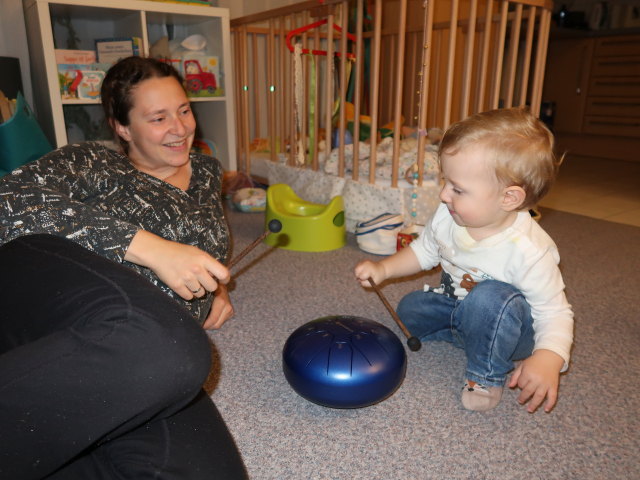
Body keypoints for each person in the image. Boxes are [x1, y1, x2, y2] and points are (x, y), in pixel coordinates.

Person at [0, 56, 248, 478]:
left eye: (184, 110)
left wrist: (213, 285)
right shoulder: (91, 162)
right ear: (122, 127)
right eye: (158, 118)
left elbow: (206, 239)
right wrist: (152, 249)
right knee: (170, 348)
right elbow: (10, 201)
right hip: (75, 312)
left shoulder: (206, 170)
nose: (181, 128)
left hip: (147, 356)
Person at [355, 108, 574, 413]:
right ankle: (468, 336)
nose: (444, 195)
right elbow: (424, 251)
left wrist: (549, 357)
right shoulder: (449, 214)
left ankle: (484, 376)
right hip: (456, 303)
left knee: (490, 298)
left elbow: (555, 312)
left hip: (509, 327)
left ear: (508, 198)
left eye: (457, 189)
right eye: (446, 182)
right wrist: (384, 268)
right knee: (409, 310)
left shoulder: (530, 251)